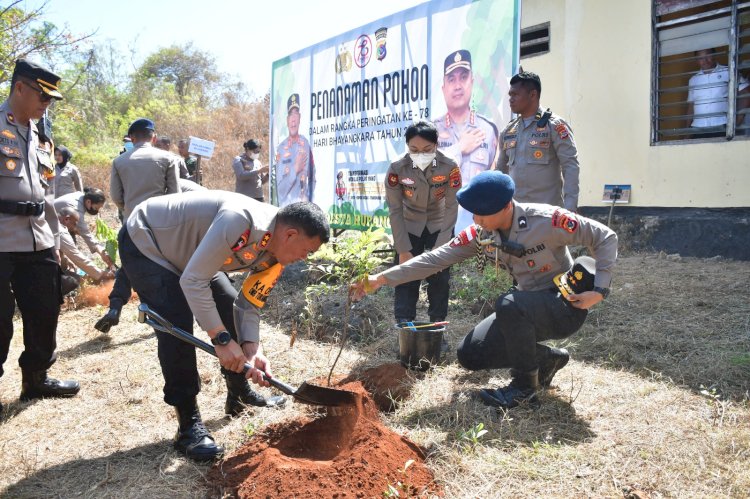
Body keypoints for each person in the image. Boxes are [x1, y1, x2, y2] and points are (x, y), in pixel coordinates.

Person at [352, 171, 617, 409]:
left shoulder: (546, 220)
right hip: (526, 307)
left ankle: (524, 389)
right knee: (470, 354)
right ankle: (546, 360)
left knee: (508, 304)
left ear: (505, 206)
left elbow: (605, 237)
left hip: (563, 306)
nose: (476, 219)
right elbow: (435, 259)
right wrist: (381, 279)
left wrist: (600, 290)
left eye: (482, 212)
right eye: (474, 213)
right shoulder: (482, 234)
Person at [120, 191, 329, 461]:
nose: (306, 258)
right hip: (149, 242)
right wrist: (221, 340)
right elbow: (193, 281)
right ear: (290, 234)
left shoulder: (277, 252)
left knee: (227, 302)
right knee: (176, 325)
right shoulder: (239, 221)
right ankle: (188, 425)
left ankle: (239, 395)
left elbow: (248, 304)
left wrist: (252, 350)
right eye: (307, 251)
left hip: (192, 255)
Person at [0, 59, 79, 410]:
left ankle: (36, 379)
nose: (46, 104)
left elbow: (45, 195)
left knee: (45, 311)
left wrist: (57, 241)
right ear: (19, 88)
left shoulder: (41, 136)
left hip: (39, 239)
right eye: (42, 96)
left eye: (51, 99)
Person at [94, 178, 206, 334]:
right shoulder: (189, 193)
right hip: (167, 230)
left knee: (129, 266)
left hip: (138, 228)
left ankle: (115, 308)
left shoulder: (154, 186)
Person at [385, 121, 460, 326]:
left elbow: (452, 206)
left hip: (438, 223)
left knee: (440, 275)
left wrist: (441, 247)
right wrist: (403, 248)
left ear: (436, 145)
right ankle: (404, 323)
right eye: (414, 150)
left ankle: (437, 322)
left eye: (427, 149)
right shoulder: (397, 168)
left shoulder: (450, 166)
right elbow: (395, 209)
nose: (420, 154)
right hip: (410, 224)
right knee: (405, 273)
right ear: (407, 147)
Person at [434, 49, 499, 231]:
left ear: (472, 82)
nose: (457, 85)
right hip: (440, 229)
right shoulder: (431, 131)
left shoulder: (489, 129)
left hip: (478, 228)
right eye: (451, 79)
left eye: (463, 77)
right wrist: (459, 148)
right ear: (444, 88)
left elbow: (495, 178)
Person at [498, 70, 580, 213]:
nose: (511, 99)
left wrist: (570, 210)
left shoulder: (555, 126)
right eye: (510, 95)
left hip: (548, 216)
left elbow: (571, 167)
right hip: (516, 215)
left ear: (533, 95)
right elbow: (500, 174)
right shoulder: (508, 131)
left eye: (515, 94)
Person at [687, 48, 750, 138]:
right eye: (700, 58)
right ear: (697, 60)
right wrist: (687, 131)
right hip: (698, 127)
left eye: (708, 56)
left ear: (714, 55)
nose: (705, 61)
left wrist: (739, 117)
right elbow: (691, 106)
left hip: (722, 125)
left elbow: (746, 91)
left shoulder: (728, 72)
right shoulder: (693, 80)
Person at [54, 188, 115, 270]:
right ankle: (62, 271)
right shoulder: (77, 208)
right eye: (96, 208)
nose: (97, 211)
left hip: (57, 223)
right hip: (49, 226)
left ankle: (64, 266)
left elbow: (79, 229)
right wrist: (101, 252)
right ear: (89, 202)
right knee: (68, 249)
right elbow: (85, 234)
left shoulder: (81, 196)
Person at [57, 206, 114, 292]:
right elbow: (76, 256)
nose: (75, 228)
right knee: (73, 280)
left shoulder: (51, 222)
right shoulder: (61, 232)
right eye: (74, 224)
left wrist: (66, 261)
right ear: (66, 219)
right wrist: (101, 273)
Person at [274, 94, 315, 206]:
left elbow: (312, 177)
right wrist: (295, 169)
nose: (293, 119)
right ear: (287, 120)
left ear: (300, 118)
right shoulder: (281, 149)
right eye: (290, 114)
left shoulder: (306, 143)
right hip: (288, 211)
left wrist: (309, 198)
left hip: (304, 209)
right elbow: (280, 190)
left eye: (296, 113)